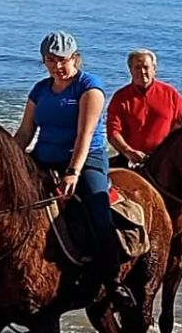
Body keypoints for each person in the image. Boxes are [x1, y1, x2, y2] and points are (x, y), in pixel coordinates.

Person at [12, 31, 134, 309]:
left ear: (75, 57)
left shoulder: (89, 87)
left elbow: (85, 135)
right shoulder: (40, 90)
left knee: (98, 210)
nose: (57, 66)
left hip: (85, 159)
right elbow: (25, 132)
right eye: (51, 60)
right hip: (43, 158)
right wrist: (8, 159)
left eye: (63, 60)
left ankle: (112, 279)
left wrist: (73, 172)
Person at [105, 49, 182, 271]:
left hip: (165, 161)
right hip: (132, 159)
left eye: (146, 67)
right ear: (129, 69)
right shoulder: (121, 97)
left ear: (154, 68)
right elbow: (113, 132)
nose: (142, 71)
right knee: (103, 188)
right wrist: (129, 151)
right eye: (137, 67)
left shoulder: (170, 94)